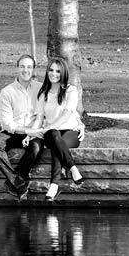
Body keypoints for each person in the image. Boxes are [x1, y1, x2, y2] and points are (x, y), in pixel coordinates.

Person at [0, 54, 44, 201]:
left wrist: (31, 134)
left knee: (36, 148)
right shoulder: (7, 92)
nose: (26, 70)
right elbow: (7, 123)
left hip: (35, 131)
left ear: (34, 70)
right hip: (14, 132)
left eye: (29, 67)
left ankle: (15, 182)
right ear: (17, 68)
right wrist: (26, 131)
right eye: (23, 66)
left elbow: (43, 115)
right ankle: (18, 182)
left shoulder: (40, 89)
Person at [33, 56, 85, 202]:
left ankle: (54, 185)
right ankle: (72, 168)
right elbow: (39, 118)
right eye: (51, 70)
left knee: (58, 144)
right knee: (55, 136)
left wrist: (51, 126)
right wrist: (30, 133)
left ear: (63, 73)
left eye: (57, 71)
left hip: (70, 132)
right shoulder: (43, 94)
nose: (53, 74)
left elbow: (68, 113)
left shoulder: (70, 90)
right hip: (51, 133)